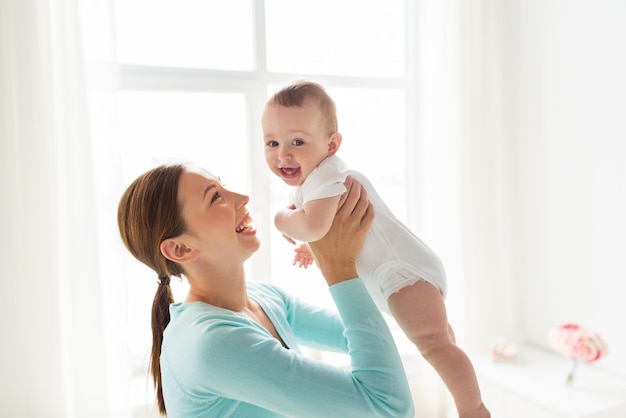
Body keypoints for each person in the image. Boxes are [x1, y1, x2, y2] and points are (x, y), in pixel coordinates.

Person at [262, 80, 490, 418]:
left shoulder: (326, 176)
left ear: (332, 144)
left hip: (402, 273)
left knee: (435, 346)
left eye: (298, 141)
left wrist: (280, 219)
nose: (284, 154)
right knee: (442, 342)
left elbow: (315, 225)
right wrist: (311, 247)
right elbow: (327, 228)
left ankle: (475, 411)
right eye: (272, 142)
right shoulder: (315, 180)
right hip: (398, 273)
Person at [117, 162, 415, 418]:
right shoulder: (213, 343)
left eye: (224, 185)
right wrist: (338, 268)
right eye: (216, 197)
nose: (242, 197)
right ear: (180, 249)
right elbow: (389, 408)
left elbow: (364, 339)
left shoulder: (263, 299)